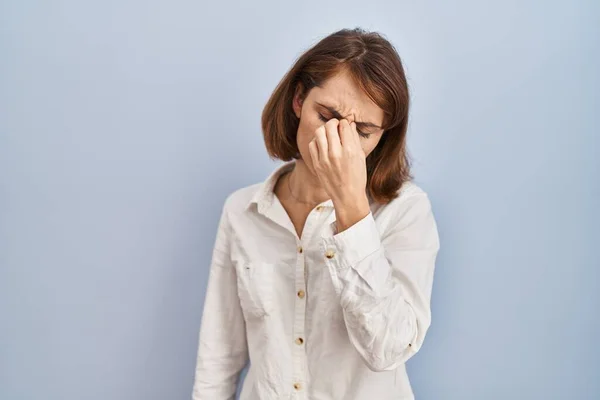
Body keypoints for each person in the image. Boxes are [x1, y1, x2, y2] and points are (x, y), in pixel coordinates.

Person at [192, 27, 440, 400]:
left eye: (363, 130)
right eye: (327, 116)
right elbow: (218, 357)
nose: (339, 139)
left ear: (382, 137)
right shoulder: (242, 211)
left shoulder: (406, 211)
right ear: (298, 101)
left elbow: (389, 349)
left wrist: (352, 209)